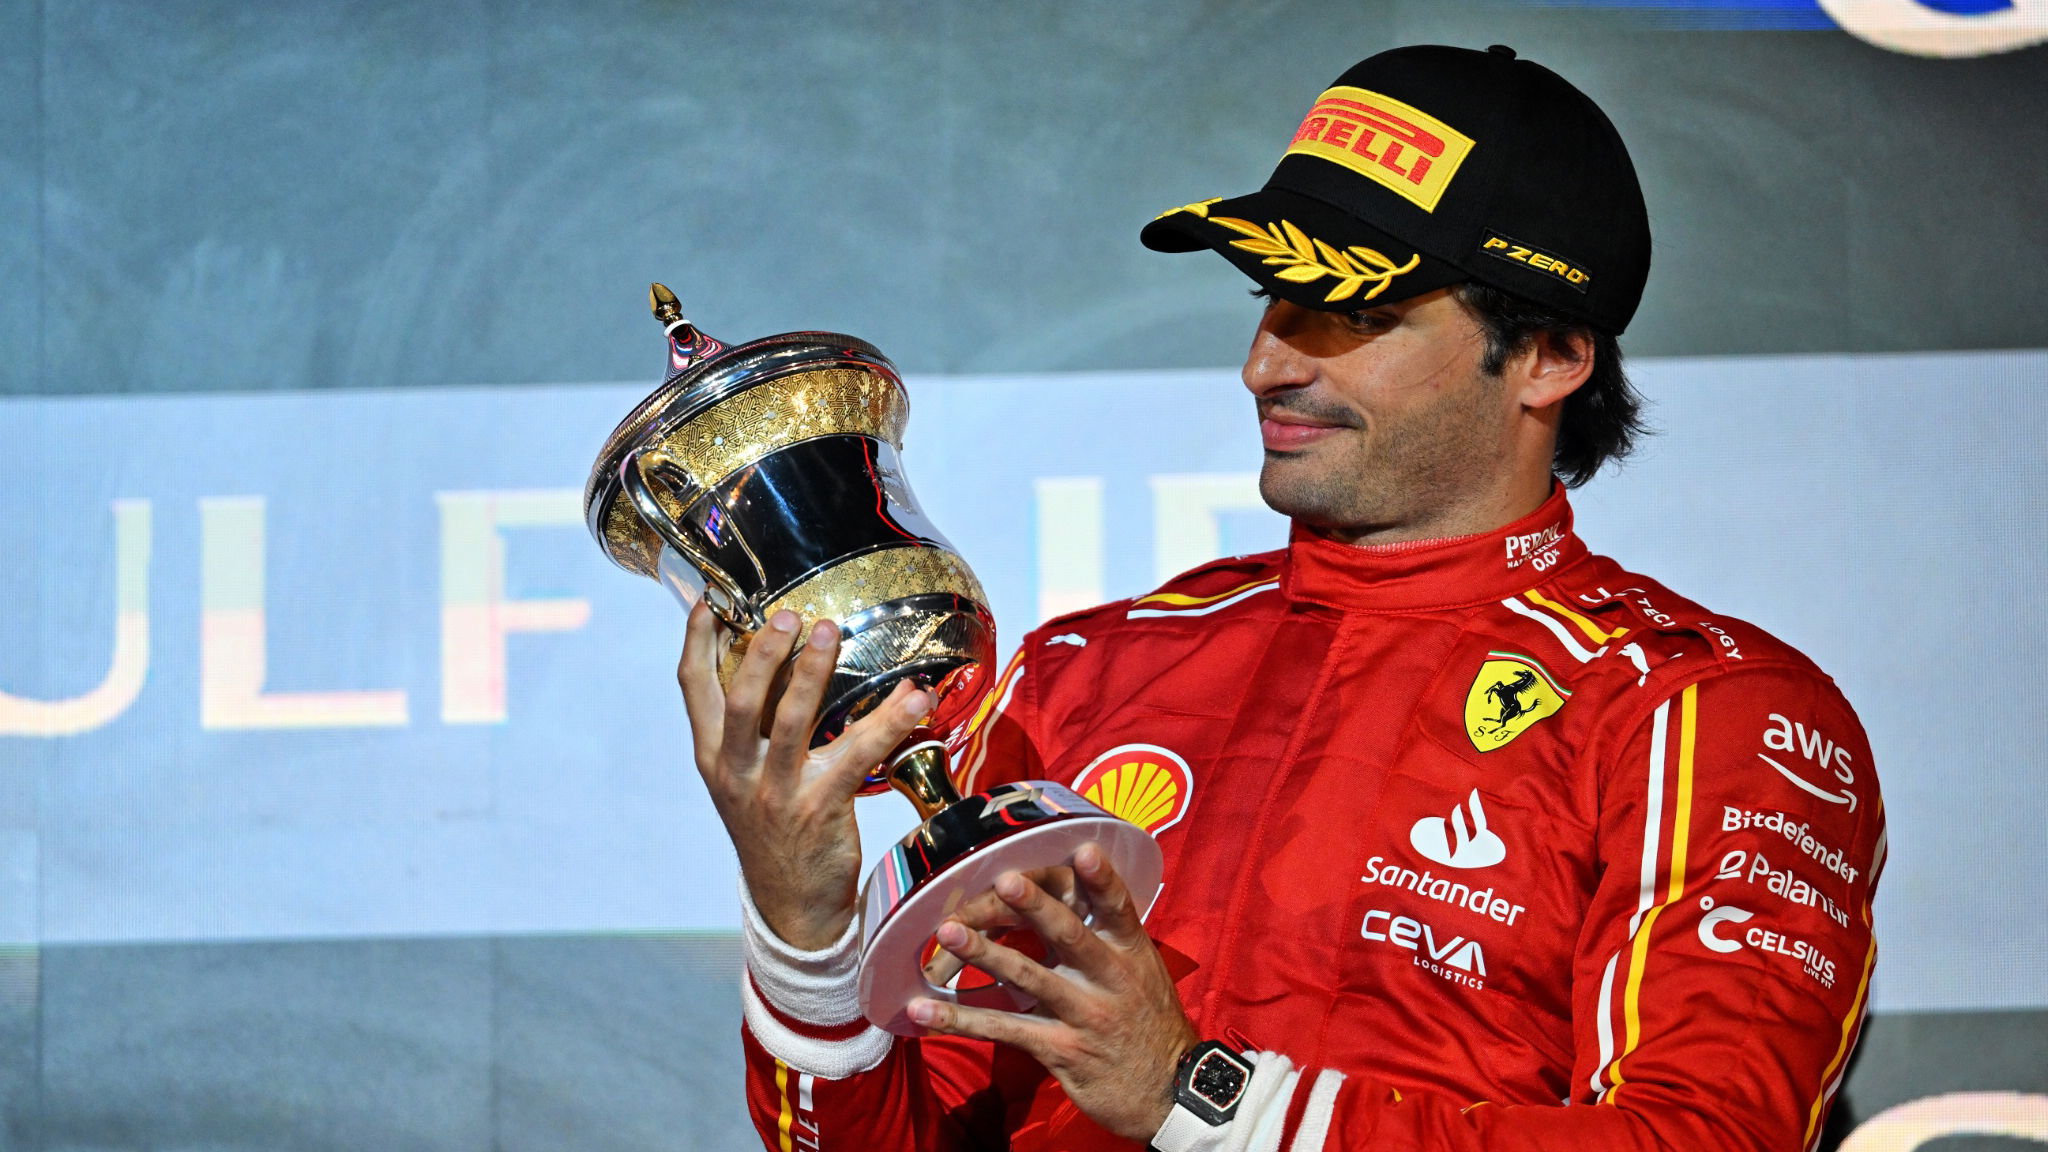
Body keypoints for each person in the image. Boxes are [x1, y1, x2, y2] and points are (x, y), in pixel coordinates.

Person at [679, 43, 1886, 1152]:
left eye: (1350, 310)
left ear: (1548, 357)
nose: (1267, 360)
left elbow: (1703, 1140)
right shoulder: (1083, 675)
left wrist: (1204, 1096)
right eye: (1265, 297)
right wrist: (805, 930)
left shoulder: (1702, 715)